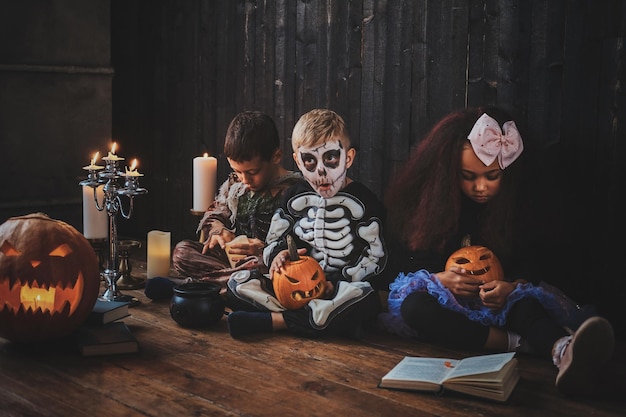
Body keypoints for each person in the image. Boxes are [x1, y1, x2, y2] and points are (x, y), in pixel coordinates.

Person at [380, 106, 615, 396]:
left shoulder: (522, 208)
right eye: (468, 176)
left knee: (524, 304)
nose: (481, 187)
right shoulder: (434, 209)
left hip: (503, 302)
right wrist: (440, 279)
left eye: (492, 176)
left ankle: (562, 351)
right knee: (414, 307)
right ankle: (521, 343)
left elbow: (536, 261)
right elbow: (412, 258)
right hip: (453, 307)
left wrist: (512, 286)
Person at [225, 108, 388, 339]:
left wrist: (337, 282)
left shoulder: (366, 202)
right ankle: (312, 320)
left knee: (366, 302)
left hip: (338, 292)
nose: (321, 171)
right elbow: (274, 240)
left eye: (331, 158)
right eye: (310, 161)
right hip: (292, 288)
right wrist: (277, 256)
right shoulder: (294, 196)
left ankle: (277, 321)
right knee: (238, 283)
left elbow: (375, 258)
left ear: (348, 158)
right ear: (298, 162)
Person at [146, 111, 302, 300]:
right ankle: (236, 287)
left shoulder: (294, 191)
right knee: (182, 252)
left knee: (263, 270)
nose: (245, 180)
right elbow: (214, 214)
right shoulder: (235, 186)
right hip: (230, 264)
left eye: (253, 171)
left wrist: (263, 249)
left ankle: (193, 288)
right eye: (237, 171)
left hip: (266, 264)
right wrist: (219, 231)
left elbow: (301, 243)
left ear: (276, 156)